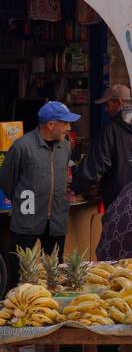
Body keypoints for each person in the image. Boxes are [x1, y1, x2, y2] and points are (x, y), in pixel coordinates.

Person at [0, 100, 79, 288]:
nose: (69, 128)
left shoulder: (65, 146)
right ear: (51, 125)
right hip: (27, 218)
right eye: (65, 123)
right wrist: (22, 200)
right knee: (19, 271)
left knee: (54, 273)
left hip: (56, 220)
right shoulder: (22, 146)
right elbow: (6, 180)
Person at [72, 83, 132, 208]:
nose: (106, 110)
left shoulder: (111, 129)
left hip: (120, 199)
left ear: (118, 102)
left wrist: (76, 187)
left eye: (108, 105)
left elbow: (96, 164)